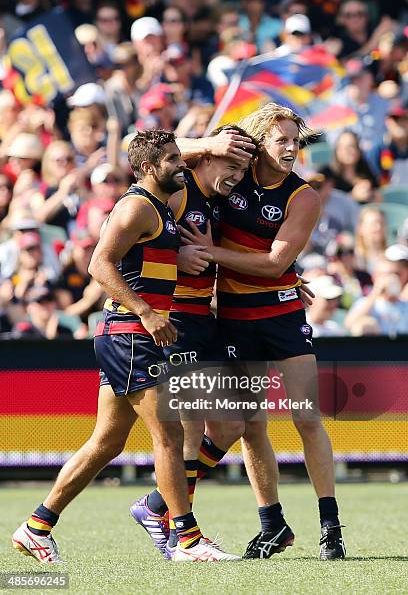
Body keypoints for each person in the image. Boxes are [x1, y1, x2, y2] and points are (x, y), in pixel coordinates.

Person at [11, 130, 238, 564]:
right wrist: (147, 312)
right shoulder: (136, 205)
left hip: (127, 336)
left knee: (107, 443)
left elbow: (145, 258)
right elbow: (100, 263)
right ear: (149, 167)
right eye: (172, 159)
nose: (181, 164)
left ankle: (37, 526)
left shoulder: (161, 205)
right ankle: (187, 541)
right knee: (169, 436)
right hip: (132, 334)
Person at [177, 103, 346, 560]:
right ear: (259, 143)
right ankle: (273, 525)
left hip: (282, 316)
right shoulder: (231, 170)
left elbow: (274, 263)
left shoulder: (303, 196)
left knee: (307, 418)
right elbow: (159, 153)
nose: (292, 148)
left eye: (296, 140)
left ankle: (330, 525)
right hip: (234, 319)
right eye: (282, 140)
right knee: (250, 426)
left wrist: (211, 254)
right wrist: (210, 143)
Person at [130, 124, 259, 557]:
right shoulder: (179, 185)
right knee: (188, 430)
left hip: (203, 318)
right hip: (173, 317)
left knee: (230, 425)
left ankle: (155, 506)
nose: (236, 175)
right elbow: (140, 172)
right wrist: (175, 256)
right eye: (230, 163)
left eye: (243, 169)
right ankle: (183, 535)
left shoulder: (217, 202)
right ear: (205, 156)